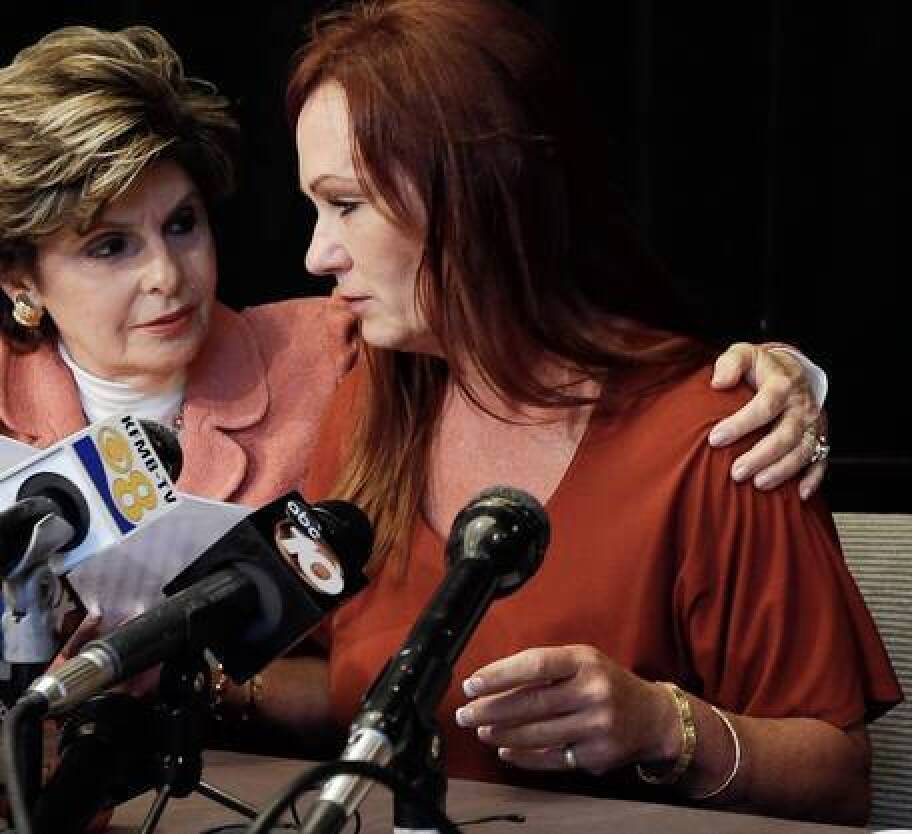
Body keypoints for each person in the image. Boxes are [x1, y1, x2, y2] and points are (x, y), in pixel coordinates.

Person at [0, 20, 827, 795]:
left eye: (184, 225)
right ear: (15, 275)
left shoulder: (347, 351)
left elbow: (522, 330)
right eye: (108, 247)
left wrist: (779, 374)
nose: (167, 277)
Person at [276, 0, 900, 824]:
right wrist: (158, 665)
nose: (317, 253)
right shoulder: (367, 407)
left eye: (346, 204)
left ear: (480, 197)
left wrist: (662, 728)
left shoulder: (720, 438)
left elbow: (840, 780)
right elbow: (342, 685)